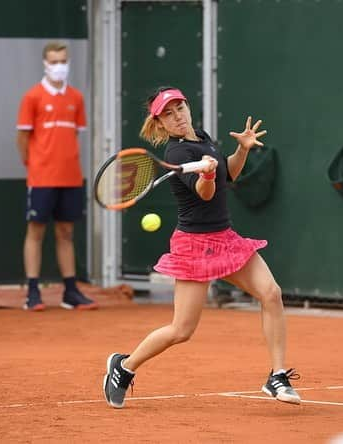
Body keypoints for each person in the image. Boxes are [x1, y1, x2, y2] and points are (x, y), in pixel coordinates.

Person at [102, 87, 300, 408]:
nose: (177, 116)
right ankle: (123, 368)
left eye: (179, 108)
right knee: (181, 330)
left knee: (271, 293)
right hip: (195, 246)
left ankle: (277, 375)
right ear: (160, 123)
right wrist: (205, 174)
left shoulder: (203, 138)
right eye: (168, 114)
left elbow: (229, 175)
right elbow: (206, 193)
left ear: (188, 108)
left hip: (225, 239)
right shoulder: (177, 155)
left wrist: (242, 150)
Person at [15, 41, 97, 311]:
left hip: (71, 177)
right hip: (41, 178)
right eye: (54, 61)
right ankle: (32, 292)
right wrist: (34, 164)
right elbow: (23, 138)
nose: (59, 66)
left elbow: (73, 135)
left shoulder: (76, 98)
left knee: (66, 232)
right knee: (35, 232)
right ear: (45, 63)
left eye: (63, 61)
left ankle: (70, 292)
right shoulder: (32, 97)